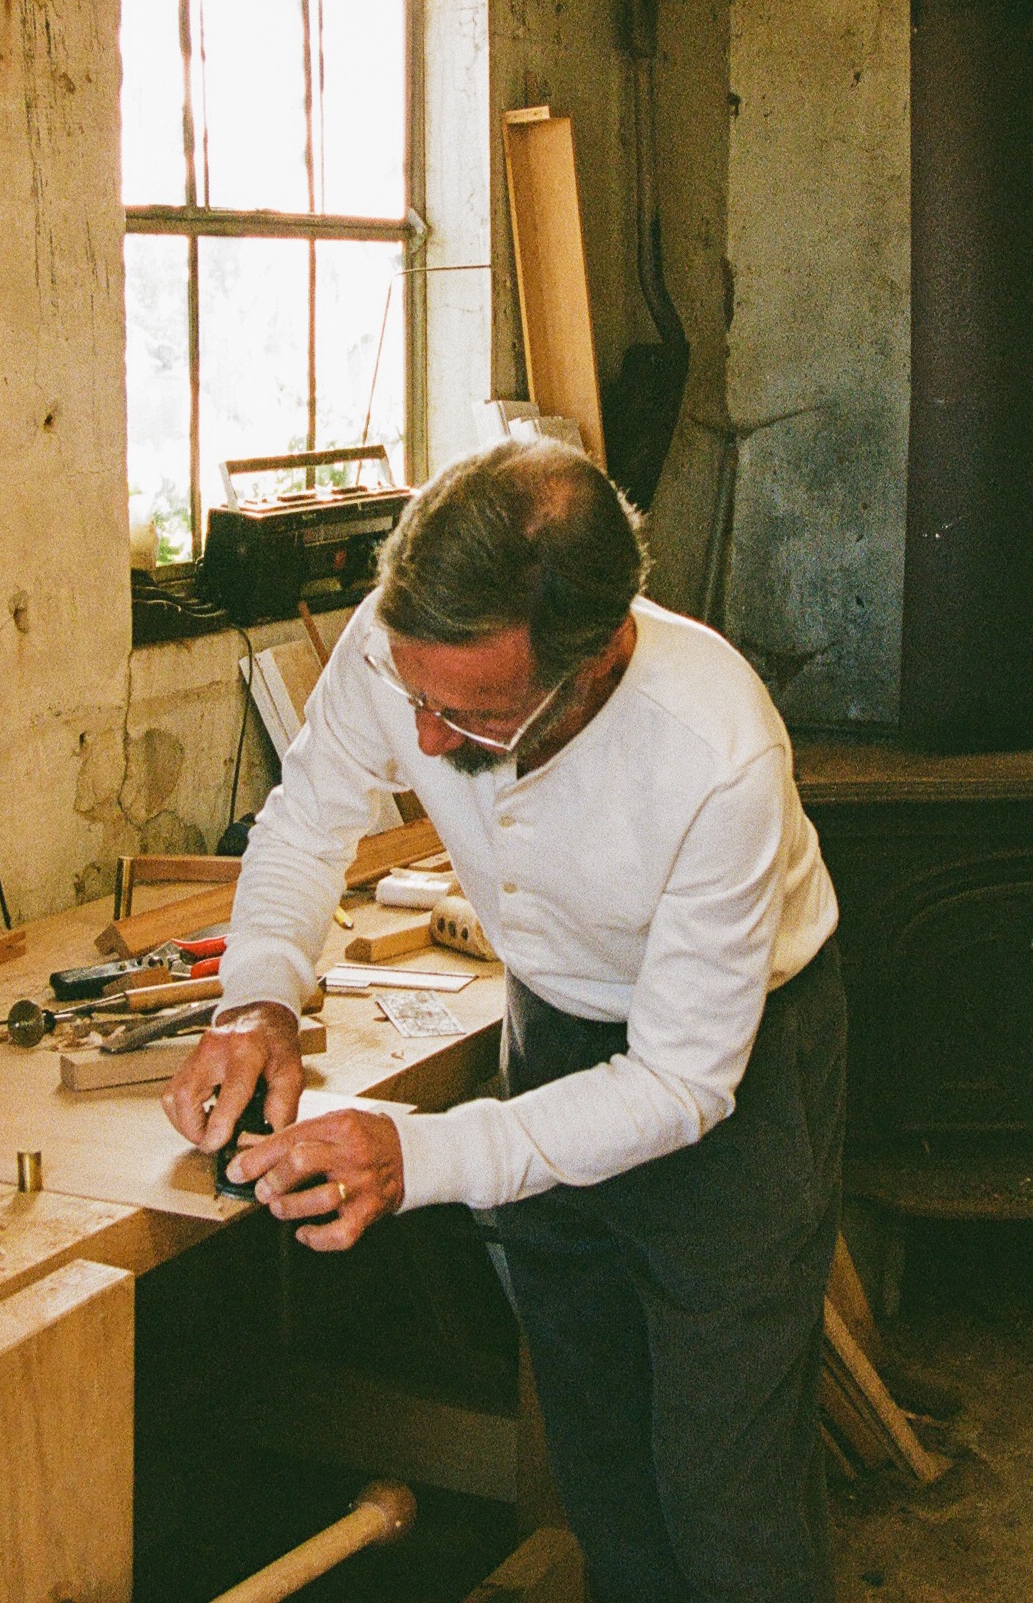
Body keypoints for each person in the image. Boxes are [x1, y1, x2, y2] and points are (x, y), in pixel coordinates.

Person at [163, 439, 845, 1603]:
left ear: (598, 656)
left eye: (468, 716)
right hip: (554, 1021)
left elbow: (680, 1083)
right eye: (413, 699)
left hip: (733, 1059)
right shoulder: (408, 643)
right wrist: (261, 991)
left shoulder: (714, 751)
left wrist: (416, 1148)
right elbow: (309, 814)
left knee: (723, 1483)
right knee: (593, 1439)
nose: (423, 741)